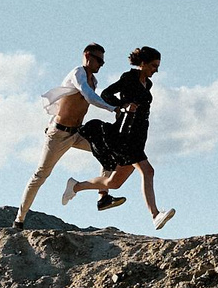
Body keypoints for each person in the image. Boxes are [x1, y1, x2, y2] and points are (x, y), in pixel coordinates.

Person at [62, 46, 177, 230]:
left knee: (114, 183)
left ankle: (75, 186)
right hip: (126, 134)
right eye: (154, 65)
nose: (156, 69)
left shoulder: (148, 83)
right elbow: (107, 94)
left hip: (139, 134)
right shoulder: (129, 78)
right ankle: (155, 215)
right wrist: (122, 106)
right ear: (144, 63)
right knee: (148, 171)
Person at [13, 43, 119, 230]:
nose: (101, 65)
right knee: (40, 175)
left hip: (77, 133)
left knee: (111, 151)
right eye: (99, 60)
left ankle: (103, 197)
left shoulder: (94, 80)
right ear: (87, 56)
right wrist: (112, 109)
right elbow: (88, 96)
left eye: (103, 61)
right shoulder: (78, 74)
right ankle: (19, 219)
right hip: (58, 133)